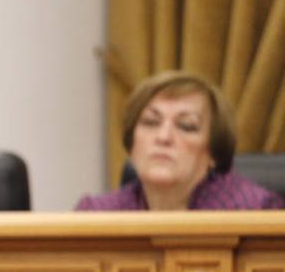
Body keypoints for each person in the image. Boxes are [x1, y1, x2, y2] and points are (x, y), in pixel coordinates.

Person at [76, 70, 282, 211]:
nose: (163, 137)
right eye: (150, 122)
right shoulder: (97, 214)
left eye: (186, 126)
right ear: (132, 144)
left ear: (213, 152)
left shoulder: (253, 211)